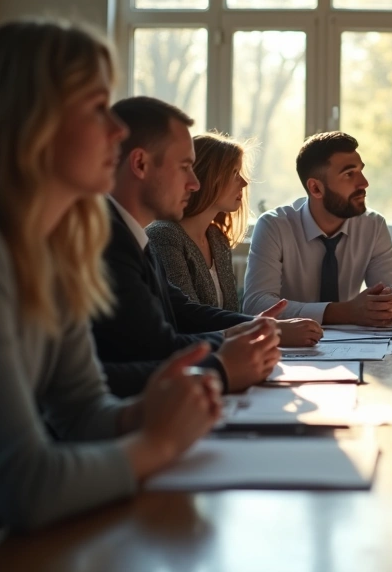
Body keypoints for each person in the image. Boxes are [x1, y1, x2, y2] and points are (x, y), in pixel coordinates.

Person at [0, 19, 221, 569]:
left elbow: (83, 412)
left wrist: (146, 413)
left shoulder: (55, 245)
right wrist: (158, 443)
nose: (117, 130)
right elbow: (25, 486)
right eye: (96, 108)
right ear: (31, 122)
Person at [93, 97, 287, 398]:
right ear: (140, 164)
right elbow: (157, 346)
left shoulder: (133, 236)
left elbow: (181, 310)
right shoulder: (109, 242)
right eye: (185, 167)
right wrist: (224, 363)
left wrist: (249, 327)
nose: (195, 183)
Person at [146, 133, 322, 341]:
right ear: (206, 177)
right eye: (235, 173)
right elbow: (186, 320)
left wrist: (260, 328)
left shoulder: (217, 239)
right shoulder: (164, 236)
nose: (244, 183)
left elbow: (228, 313)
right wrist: (266, 330)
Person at [243, 131, 392, 326]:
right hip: (291, 341)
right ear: (316, 188)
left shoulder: (373, 225)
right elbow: (256, 305)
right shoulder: (274, 226)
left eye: (360, 171)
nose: (364, 183)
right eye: (349, 174)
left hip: (353, 341)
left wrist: (387, 308)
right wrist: (346, 312)